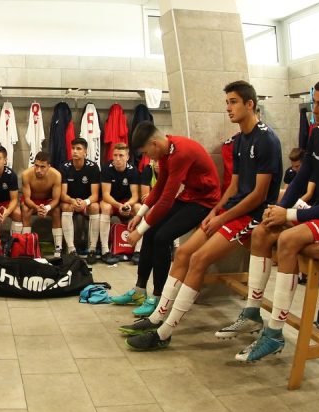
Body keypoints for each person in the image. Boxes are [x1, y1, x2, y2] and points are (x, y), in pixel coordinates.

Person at [123, 81, 283, 351]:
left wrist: (221, 217)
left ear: (250, 104)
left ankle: (165, 332)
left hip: (252, 215)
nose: (228, 108)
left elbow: (258, 196)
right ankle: (157, 316)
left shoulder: (266, 139)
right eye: (227, 102)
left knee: (197, 259)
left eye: (233, 102)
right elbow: (232, 186)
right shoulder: (240, 139)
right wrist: (214, 211)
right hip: (229, 210)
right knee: (184, 253)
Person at [229, 76, 319, 362]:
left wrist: (289, 214)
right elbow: (302, 177)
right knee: (261, 232)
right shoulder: (316, 134)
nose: (315, 110)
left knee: (289, 239)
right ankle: (253, 311)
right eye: (313, 103)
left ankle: (274, 333)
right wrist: (278, 207)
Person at [114, 122, 221, 318]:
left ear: (154, 144)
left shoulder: (180, 153)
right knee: (152, 232)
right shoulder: (165, 152)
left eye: (146, 152)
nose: (148, 158)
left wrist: (140, 230)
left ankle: (157, 296)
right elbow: (159, 187)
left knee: (162, 237)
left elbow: (166, 199)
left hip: (206, 202)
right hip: (189, 196)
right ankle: (139, 291)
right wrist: (140, 216)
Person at [60, 137, 101, 262]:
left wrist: (85, 202)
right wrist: (72, 201)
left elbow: (95, 195)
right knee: (66, 206)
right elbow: (62, 194)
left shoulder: (93, 167)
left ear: (85, 152)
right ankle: (71, 250)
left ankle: (92, 249)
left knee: (95, 207)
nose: (75, 151)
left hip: (86, 202)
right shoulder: (65, 167)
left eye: (79, 149)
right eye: (73, 148)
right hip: (70, 201)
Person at [98, 143, 141, 265]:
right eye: (115, 155)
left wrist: (127, 204)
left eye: (121, 155)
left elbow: (135, 196)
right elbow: (106, 195)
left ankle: (138, 251)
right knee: (105, 207)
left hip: (126, 202)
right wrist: (118, 206)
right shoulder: (106, 168)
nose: (117, 159)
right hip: (112, 202)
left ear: (127, 157)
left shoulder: (133, 171)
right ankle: (105, 251)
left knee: (139, 207)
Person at [20, 151, 63, 256]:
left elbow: (56, 199)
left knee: (57, 210)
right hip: (31, 201)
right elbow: (26, 198)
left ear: (49, 166)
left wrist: (47, 208)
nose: (38, 170)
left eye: (42, 167)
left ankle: (58, 248)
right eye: (36, 166)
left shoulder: (56, 175)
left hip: (47, 202)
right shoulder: (26, 175)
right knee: (25, 209)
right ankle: (26, 245)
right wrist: (36, 207)